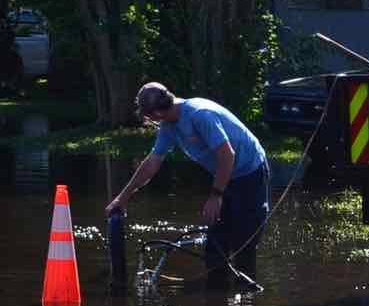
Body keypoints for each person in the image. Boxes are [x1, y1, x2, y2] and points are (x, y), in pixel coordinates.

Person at [107, 82, 270, 285]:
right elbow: (152, 163)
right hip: (223, 173)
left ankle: (247, 302)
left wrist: (216, 195)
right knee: (216, 247)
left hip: (249, 172)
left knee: (244, 243)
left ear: (155, 113)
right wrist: (123, 198)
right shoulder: (168, 126)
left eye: (148, 115)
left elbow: (227, 155)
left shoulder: (199, 114)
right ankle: (217, 301)